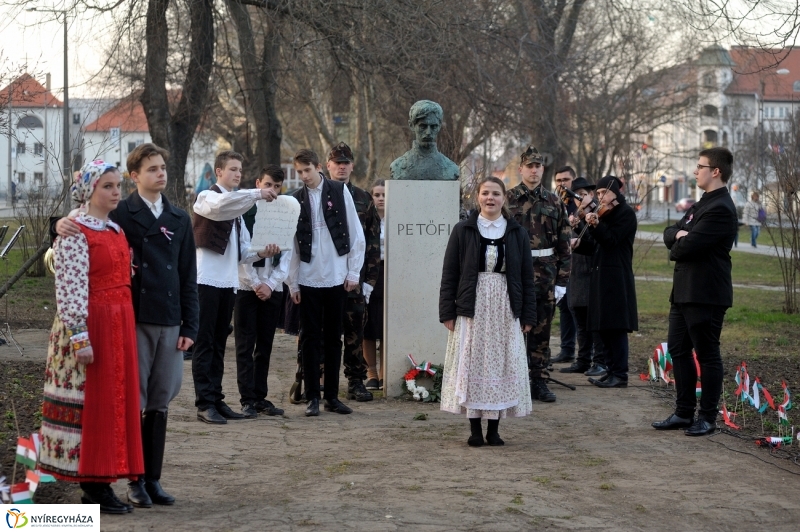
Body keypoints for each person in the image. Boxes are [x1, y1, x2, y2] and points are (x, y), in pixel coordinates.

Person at [52, 144, 200, 507]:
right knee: (121, 402)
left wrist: (190, 324)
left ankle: (151, 478)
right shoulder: (120, 217)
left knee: (158, 400)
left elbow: (187, 276)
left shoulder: (177, 218)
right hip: (125, 319)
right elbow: (69, 256)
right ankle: (126, 481)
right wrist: (55, 223)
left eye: (164, 167)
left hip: (154, 317)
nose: (160, 174)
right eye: (152, 168)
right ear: (137, 176)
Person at [39, 160, 143, 514]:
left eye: (117, 186)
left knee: (114, 402)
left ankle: (105, 479)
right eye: (108, 187)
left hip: (119, 322)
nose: (116, 192)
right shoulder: (74, 232)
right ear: (90, 191)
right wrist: (79, 335)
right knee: (94, 405)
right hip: (92, 323)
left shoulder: (114, 230)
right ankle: (94, 487)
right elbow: (68, 287)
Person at [440, 177, 535, 446]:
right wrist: (448, 311)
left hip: (504, 305)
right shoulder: (463, 230)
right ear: (477, 197)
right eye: (485, 193)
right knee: (473, 361)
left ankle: (494, 429)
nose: (490, 198)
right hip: (473, 305)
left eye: (495, 194)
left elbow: (527, 277)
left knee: (501, 361)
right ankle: (474, 430)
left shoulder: (516, 232)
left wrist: (527, 314)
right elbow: (450, 274)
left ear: (504, 198)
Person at [653, 147, 738, 436]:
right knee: (678, 350)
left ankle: (708, 418)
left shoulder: (721, 208)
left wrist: (679, 238)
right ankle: (683, 412)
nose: (695, 171)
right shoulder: (701, 204)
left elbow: (684, 248)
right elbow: (670, 232)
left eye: (700, 166)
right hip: (684, 292)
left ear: (715, 171)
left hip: (706, 293)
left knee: (707, 354)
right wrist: (679, 234)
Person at [192, 150, 279, 424]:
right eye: (232, 169)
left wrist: (262, 253)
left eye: (240, 169)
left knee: (219, 344)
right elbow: (221, 206)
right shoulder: (207, 197)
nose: (237, 174)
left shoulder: (239, 213)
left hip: (228, 283)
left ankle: (217, 399)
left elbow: (243, 253)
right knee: (205, 343)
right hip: (206, 280)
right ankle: (204, 402)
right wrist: (256, 195)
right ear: (218, 172)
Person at [287, 149, 365, 417]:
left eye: (307, 170)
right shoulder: (295, 199)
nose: (304, 176)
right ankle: (312, 397)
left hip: (336, 275)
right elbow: (293, 246)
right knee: (309, 339)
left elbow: (356, 233)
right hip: (308, 276)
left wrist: (353, 271)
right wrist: (293, 283)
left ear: (319, 167)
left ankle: (332, 395)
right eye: (299, 172)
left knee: (334, 337)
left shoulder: (339, 191)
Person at [506, 145, 571, 403]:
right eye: (529, 166)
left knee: (541, 332)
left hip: (545, 274)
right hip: (514, 274)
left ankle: (539, 381)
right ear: (521, 169)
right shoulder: (508, 199)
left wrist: (562, 281)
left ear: (543, 170)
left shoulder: (554, 202)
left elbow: (565, 244)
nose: (534, 171)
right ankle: (512, 380)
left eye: (538, 167)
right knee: (512, 329)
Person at [326, 142, 380, 402]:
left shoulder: (363, 197)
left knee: (354, 331)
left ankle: (356, 380)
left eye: (346, 162)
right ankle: (318, 379)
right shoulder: (319, 195)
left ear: (352, 166)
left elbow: (372, 241)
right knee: (323, 330)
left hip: (354, 279)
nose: (342, 166)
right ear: (328, 166)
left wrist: (368, 280)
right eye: (337, 162)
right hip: (324, 276)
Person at [235, 165, 290, 418]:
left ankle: (260, 396)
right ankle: (247, 399)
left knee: (265, 346)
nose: (272, 190)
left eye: (277, 186)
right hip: (248, 287)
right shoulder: (246, 211)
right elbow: (240, 253)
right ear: (258, 184)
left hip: (273, 287)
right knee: (245, 345)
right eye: (268, 185)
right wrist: (257, 283)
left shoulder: (285, 214)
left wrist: (271, 283)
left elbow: (289, 252)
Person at [573, 176, 638, 388]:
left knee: (615, 327)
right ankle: (610, 370)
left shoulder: (625, 214)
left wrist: (596, 225)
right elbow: (594, 246)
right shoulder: (605, 214)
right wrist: (578, 241)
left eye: (604, 193)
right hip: (601, 275)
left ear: (617, 192)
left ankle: (620, 374)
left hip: (616, 276)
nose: (601, 197)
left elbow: (610, 240)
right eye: (598, 193)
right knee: (604, 327)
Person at [559, 177, 608, 376]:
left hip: (591, 272)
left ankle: (600, 360)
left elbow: (593, 241)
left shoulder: (596, 216)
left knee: (593, 321)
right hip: (575, 273)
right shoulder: (573, 216)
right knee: (579, 320)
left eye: (585, 195)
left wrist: (579, 226)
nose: (582, 200)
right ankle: (583, 359)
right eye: (578, 197)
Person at [390, 100, 460, 181]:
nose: (428, 132)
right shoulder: (398, 167)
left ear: (439, 126)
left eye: (433, 126)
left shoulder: (450, 169)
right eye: (423, 126)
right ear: (411, 126)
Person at [551, 166, 578, 365]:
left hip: (579, 262)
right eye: (559, 180)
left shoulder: (579, 203)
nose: (563, 183)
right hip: (559, 263)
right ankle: (567, 349)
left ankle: (585, 352)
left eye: (566, 179)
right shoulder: (554, 203)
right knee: (563, 306)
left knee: (575, 307)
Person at [362, 179, 386, 390]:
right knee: (368, 326)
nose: (380, 199)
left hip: (390, 274)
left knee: (386, 326)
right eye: (376, 195)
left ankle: (385, 372)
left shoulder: (397, 222)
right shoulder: (366, 220)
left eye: (384, 195)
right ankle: (371, 372)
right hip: (370, 274)